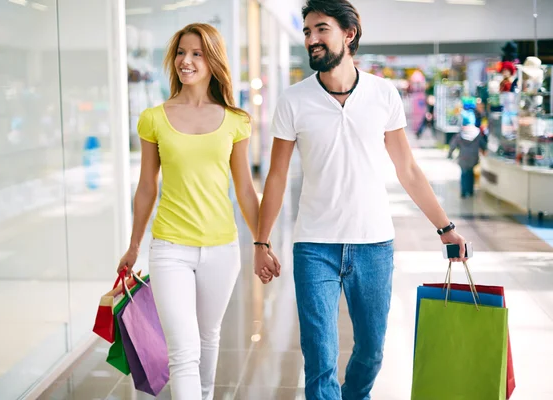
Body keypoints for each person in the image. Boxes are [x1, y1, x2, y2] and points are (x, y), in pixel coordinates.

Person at [253, 1, 469, 399]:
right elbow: (278, 176)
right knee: (319, 358)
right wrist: (261, 242)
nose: (311, 39)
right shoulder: (293, 100)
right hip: (314, 246)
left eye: (321, 29)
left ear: (348, 34)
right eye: (306, 31)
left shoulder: (382, 94)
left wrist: (446, 228)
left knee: (371, 352)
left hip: (374, 245)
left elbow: (407, 169)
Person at [117, 23, 277, 400]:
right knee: (183, 352)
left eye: (197, 53)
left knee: (208, 338)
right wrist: (134, 244)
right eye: (181, 52)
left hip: (222, 249)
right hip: (170, 247)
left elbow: (244, 189)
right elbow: (146, 188)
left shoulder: (235, 120)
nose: (185, 61)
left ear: (212, 61)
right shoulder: (153, 118)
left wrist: (261, 243)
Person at [448, 111, 488, 198]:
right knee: (471, 173)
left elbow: (453, 144)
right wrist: (484, 151)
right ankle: (470, 191)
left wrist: (450, 153)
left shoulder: (461, 133)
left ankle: (463, 192)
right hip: (474, 157)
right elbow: (483, 145)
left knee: (464, 174)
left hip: (463, 158)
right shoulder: (477, 133)